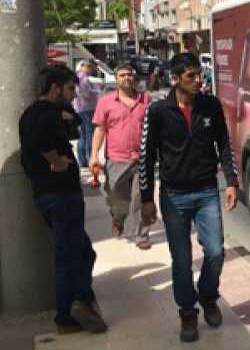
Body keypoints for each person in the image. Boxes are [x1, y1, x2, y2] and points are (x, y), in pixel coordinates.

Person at [139, 53, 239, 342]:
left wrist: (231, 181)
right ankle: (187, 312)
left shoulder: (210, 105)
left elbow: (224, 144)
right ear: (175, 78)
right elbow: (146, 155)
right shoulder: (158, 111)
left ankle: (208, 296)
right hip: (174, 196)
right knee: (181, 260)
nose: (198, 81)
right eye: (191, 76)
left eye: (199, 75)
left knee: (216, 251)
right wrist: (146, 198)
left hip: (207, 191)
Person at [19, 66, 107, 335]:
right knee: (69, 255)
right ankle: (71, 311)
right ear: (55, 88)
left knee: (81, 251)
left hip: (51, 194)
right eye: (69, 89)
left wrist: (66, 118)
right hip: (60, 195)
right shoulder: (44, 115)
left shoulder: (39, 114)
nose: (73, 94)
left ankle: (79, 303)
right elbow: (44, 143)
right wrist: (56, 161)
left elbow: (75, 124)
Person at [89, 63, 154, 248]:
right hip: (116, 159)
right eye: (122, 75)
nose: (127, 78)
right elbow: (100, 129)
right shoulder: (105, 102)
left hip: (142, 159)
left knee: (140, 198)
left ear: (134, 78)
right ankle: (118, 218)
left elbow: (155, 128)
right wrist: (94, 155)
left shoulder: (146, 100)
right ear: (116, 79)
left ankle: (142, 236)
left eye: (129, 74)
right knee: (116, 197)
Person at [73, 60, 100, 169]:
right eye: (89, 66)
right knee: (89, 134)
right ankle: (89, 158)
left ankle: (82, 160)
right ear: (82, 67)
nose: (91, 69)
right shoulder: (83, 78)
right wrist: (97, 91)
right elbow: (87, 94)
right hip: (87, 109)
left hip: (80, 109)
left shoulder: (77, 78)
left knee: (82, 135)